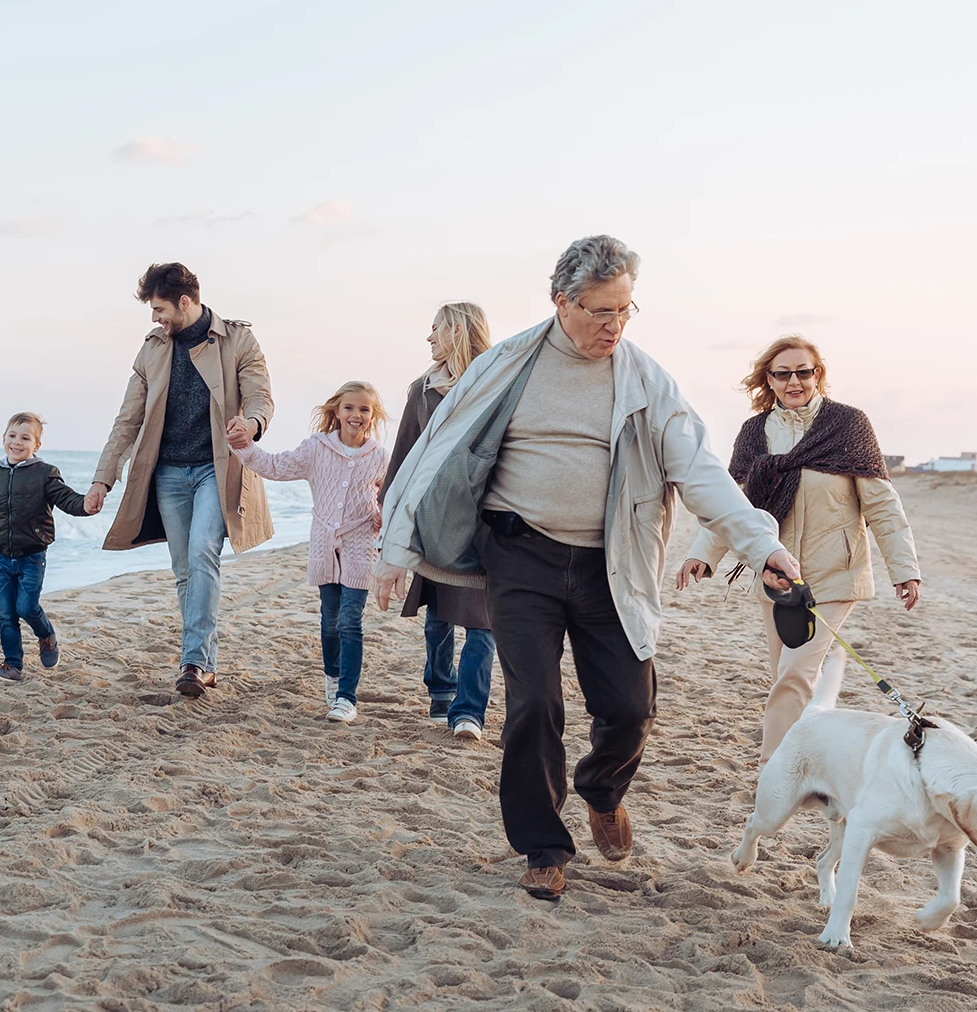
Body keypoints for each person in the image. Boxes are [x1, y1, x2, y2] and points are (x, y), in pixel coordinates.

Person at [376, 235, 803, 901]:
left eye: (626, 311)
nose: (614, 326)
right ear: (561, 302)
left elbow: (700, 472)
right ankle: (543, 846)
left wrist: (761, 547)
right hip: (519, 553)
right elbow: (435, 450)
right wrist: (394, 554)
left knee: (630, 709)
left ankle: (601, 789)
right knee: (534, 702)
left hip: (612, 562)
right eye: (601, 312)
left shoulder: (645, 379)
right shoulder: (507, 365)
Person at [675, 335, 921, 760]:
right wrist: (703, 554)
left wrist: (905, 568)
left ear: (817, 375)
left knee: (793, 675)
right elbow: (734, 507)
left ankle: (775, 770)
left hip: (835, 574)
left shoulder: (846, 426)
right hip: (777, 576)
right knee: (786, 678)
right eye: (782, 373)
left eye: (803, 372)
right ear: (767, 380)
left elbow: (881, 504)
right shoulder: (755, 434)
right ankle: (813, 760)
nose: (794, 381)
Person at [87, 263, 275, 698]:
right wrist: (103, 480)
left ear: (184, 303)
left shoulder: (237, 339)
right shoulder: (151, 348)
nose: (155, 318)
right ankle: (204, 664)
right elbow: (127, 419)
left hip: (217, 466)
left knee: (202, 551)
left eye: (159, 309)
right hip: (167, 472)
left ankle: (190, 662)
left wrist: (252, 422)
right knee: (184, 570)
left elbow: (261, 393)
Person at [231, 381, 390, 723]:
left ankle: (347, 697)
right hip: (323, 545)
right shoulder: (317, 447)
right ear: (336, 410)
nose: (356, 415)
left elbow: (389, 496)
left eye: (364, 409)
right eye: (349, 407)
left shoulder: (378, 455)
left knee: (350, 622)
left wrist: (381, 521)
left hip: (361, 545)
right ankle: (332, 679)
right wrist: (244, 447)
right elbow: (276, 466)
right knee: (330, 622)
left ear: (373, 416)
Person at [378, 303, 497, 741]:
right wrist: (388, 508)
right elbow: (405, 452)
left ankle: (470, 711)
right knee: (438, 616)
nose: (428, 339)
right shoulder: (423, 389)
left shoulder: (494, 383)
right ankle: (441, 691)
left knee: (483, 618)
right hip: (433, 519)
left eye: (435, 330)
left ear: (459, 331)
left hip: (487, 520)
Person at [0, 412, 95, 682]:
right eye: (12, 436)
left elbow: (66, 499)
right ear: (3, 438)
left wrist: (86, 505)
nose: (17, 442)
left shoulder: (45, 473)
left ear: (36, 446)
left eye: (25, 438)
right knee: (5, 613)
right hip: (2, 557)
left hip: (32, 555)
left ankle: (46, 636)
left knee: (26, 608)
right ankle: (12, 666)